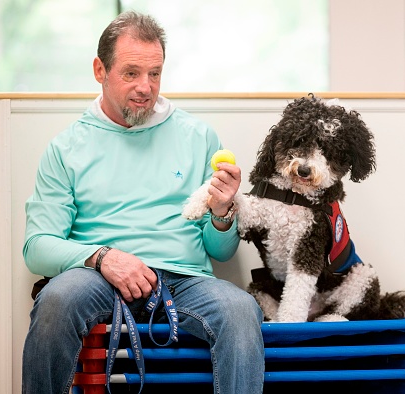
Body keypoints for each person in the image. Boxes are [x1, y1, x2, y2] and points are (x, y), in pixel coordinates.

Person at [21, 11, 264, 394]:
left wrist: (221, 214)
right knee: (56, 301)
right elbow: (37, 248)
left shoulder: (198, 137)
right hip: (97, 278)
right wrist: (104, 258)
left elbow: (220, 251)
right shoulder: (66, 148)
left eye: (155, 73)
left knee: (239, 310)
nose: (145, 87)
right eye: (131, 73)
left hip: (184, 280)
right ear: (100, 70)